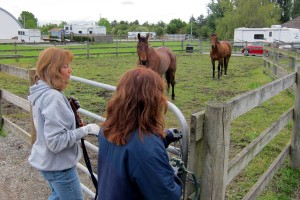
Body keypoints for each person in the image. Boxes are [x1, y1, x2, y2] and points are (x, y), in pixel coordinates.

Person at [97, 66, 183, 200]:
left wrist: (163, 138)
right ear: (153, 100)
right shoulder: (148, 149)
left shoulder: (106, 130)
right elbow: (168, 196)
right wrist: (174, 174)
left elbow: (130, 149)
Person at [28, 47, 100, 200]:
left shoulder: (42, 92)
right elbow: (56, 141)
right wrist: (86, 130)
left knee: (57, 196)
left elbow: (47, 121)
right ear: (53, 70)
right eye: (65, 66)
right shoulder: (53, 97)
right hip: (59, 166)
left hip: (47, 162)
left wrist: (68, 107)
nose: (70, 70)